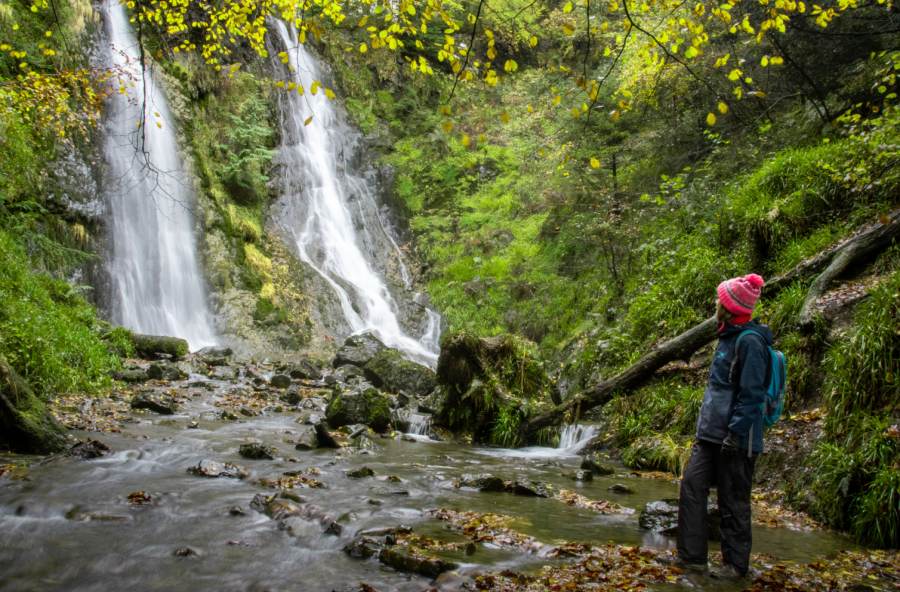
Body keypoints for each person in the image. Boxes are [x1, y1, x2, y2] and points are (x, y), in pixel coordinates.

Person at [658, 273, 771, 580]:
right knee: (692, 486)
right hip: (709, 434)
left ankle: (735, 566)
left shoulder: (750, 342)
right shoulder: (727, 337)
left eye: (720, 301)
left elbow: (753, 394)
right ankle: (691, 556)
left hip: (738, 437)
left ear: (731, 307)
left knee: (733, 501)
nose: (716, 305)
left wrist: (735, 433)